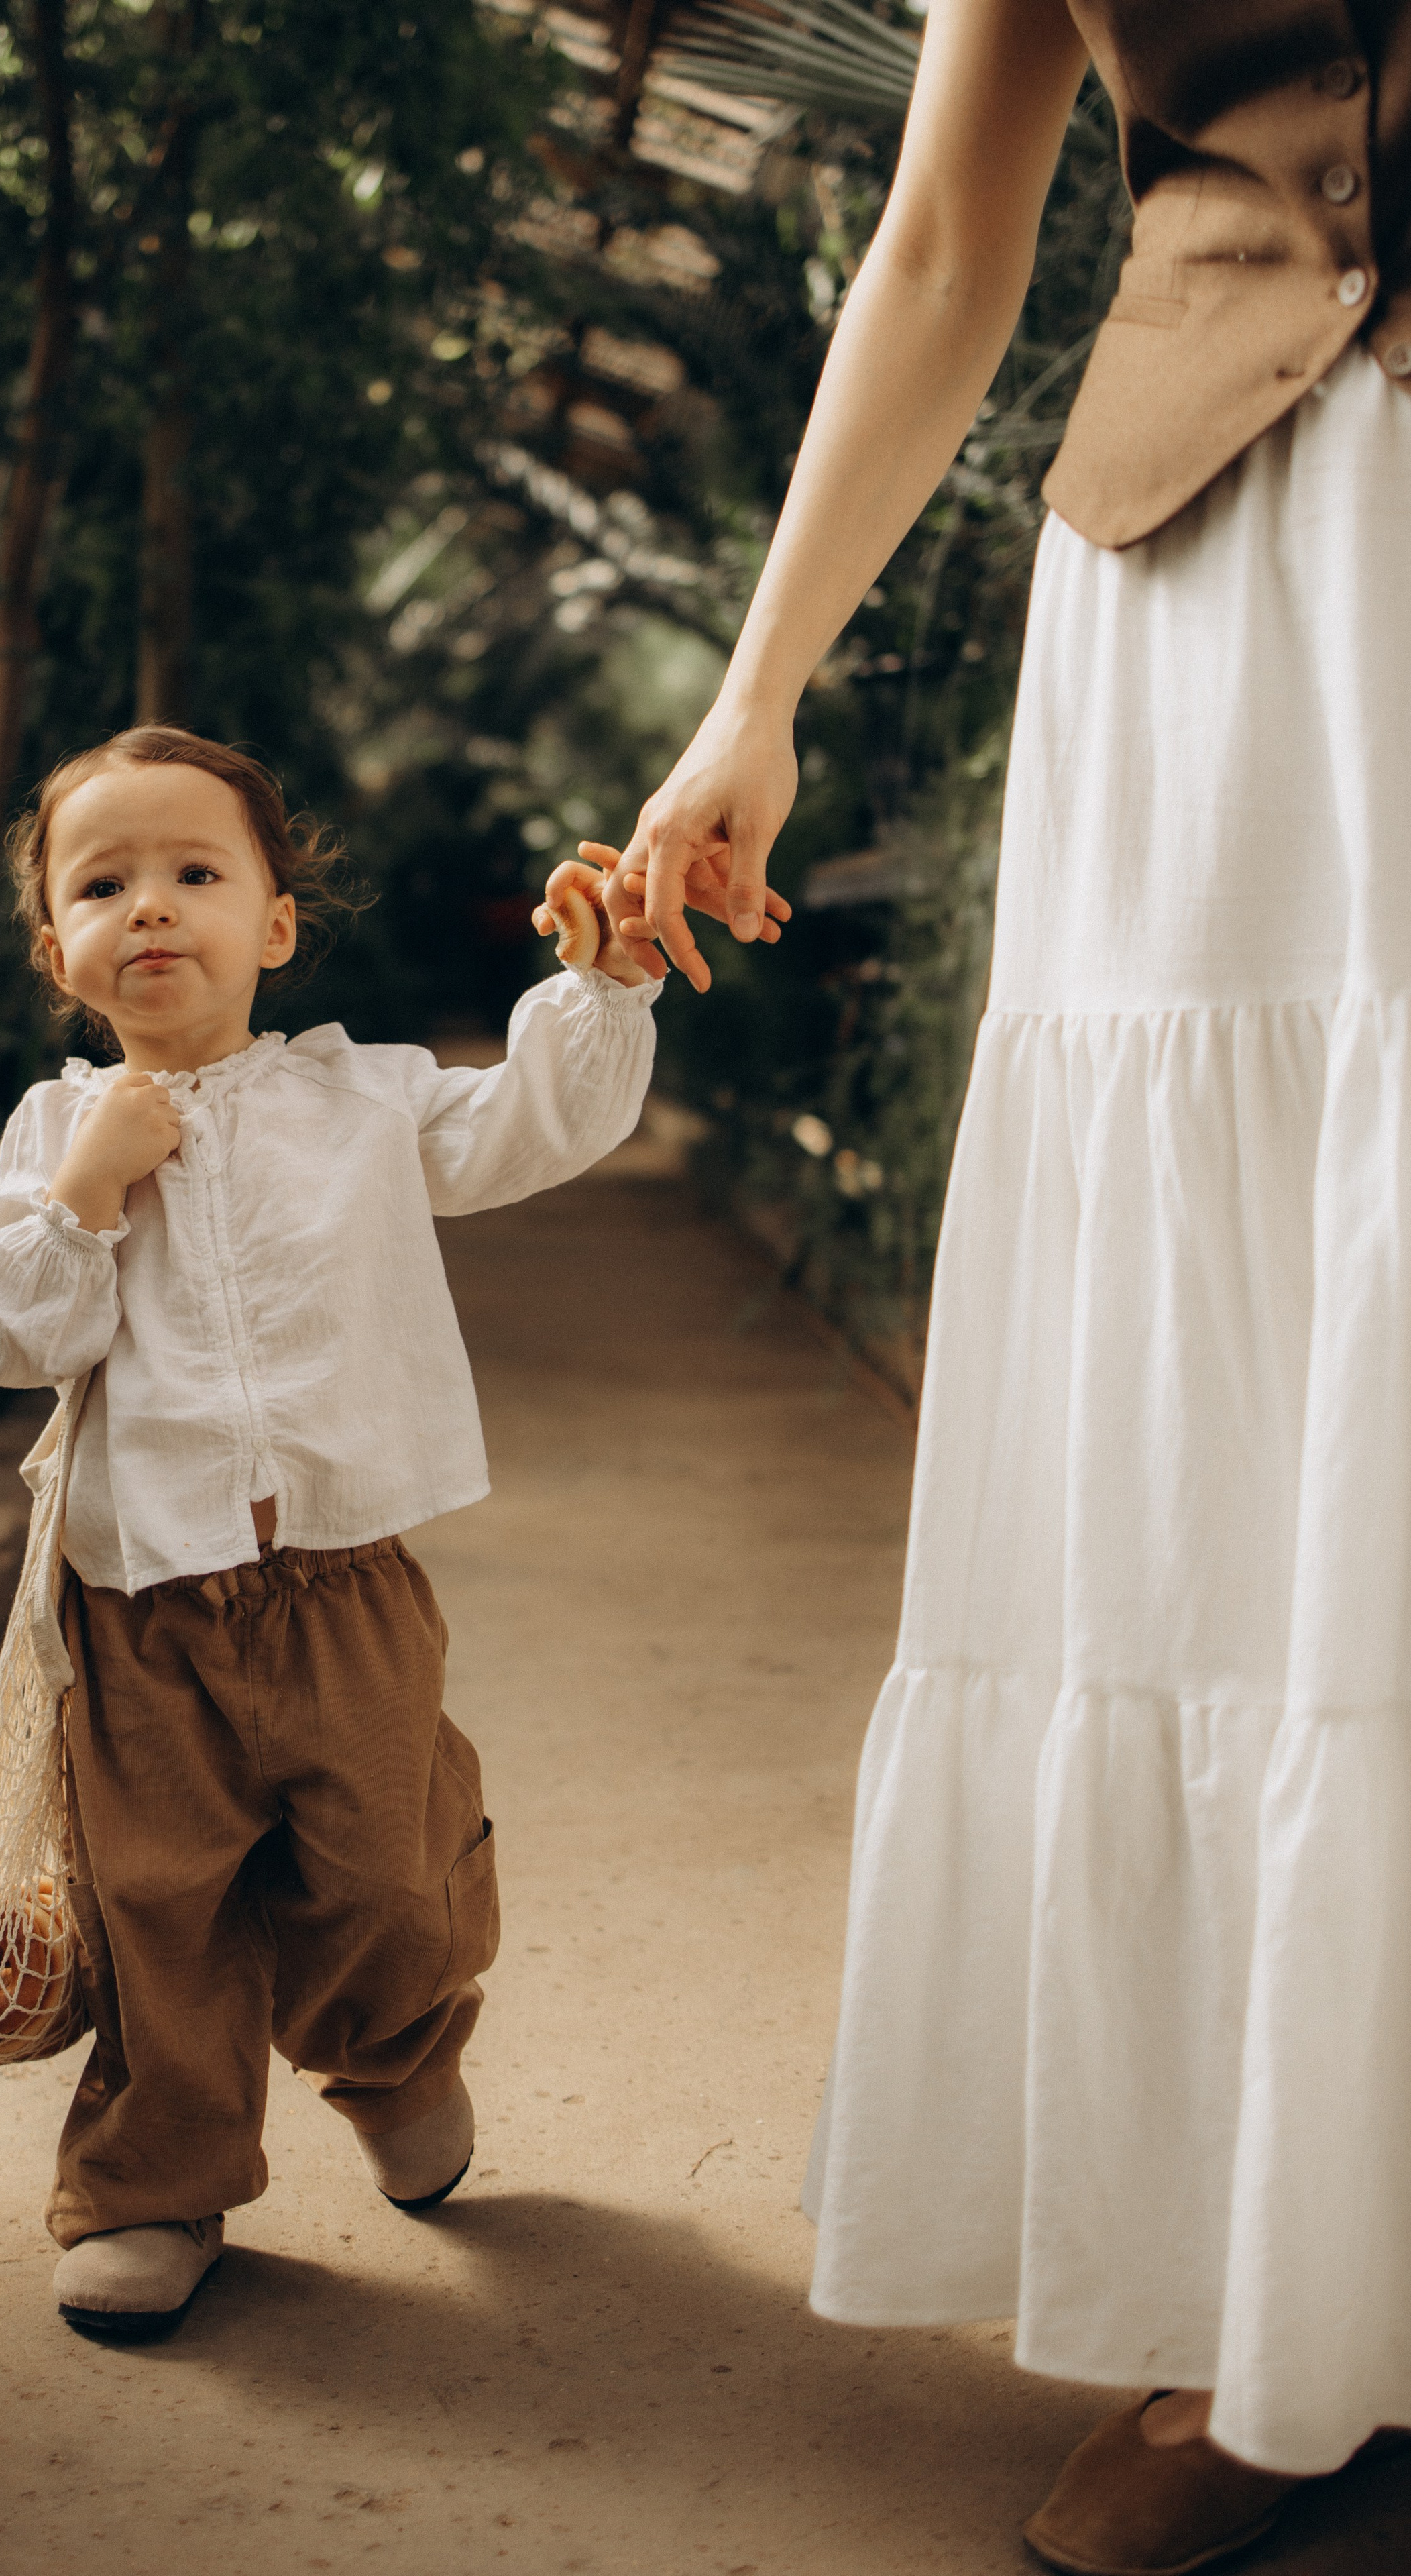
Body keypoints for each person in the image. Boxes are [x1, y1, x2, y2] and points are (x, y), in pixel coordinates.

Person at [610, 3, 1411, 2568]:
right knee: (1251, 1389)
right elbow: (954, 230)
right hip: (1242, 579)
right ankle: (1268, 2296)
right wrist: (757, 697)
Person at [0, 724, 657, 2341]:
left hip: (347, 1588)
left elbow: (530, 1128)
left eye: (197, 872)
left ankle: (397, 2060)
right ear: (61, 955)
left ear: (272, 923)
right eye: (106, 883)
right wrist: (85, 1198)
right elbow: (0, 1333)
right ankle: (154, 2184)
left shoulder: (363, 1101)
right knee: (160, 1910)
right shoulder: (59, 1134)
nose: (154, 907)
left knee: (388, 1878)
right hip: (141, 1607)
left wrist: (600, 988)